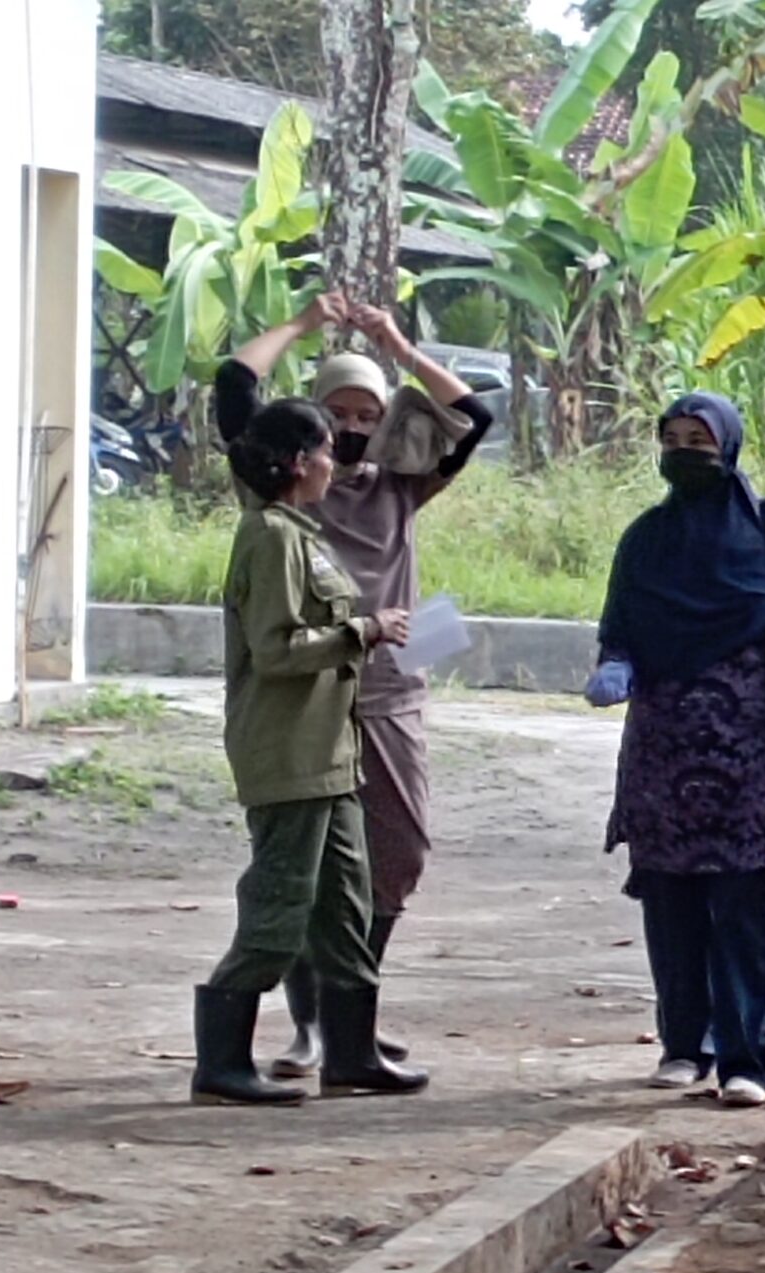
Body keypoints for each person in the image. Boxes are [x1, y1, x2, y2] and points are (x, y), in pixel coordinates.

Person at [216, 294, 493, 1078]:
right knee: (311, 864)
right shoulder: (279, 493)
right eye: (335, 412)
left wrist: (394, 342)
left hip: (389, 690)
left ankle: (349, 1010)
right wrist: (302, 325)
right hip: (308, 695)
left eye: (366, 411)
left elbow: (473, 418)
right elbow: (235, 389)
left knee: (394, 854)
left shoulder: (400, 486)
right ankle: (315, 1026)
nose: (350, 427)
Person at [587, 394, 765, 1108]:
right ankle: (684, 1044)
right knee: (668, 897)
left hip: (757, 749)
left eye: (697, 438)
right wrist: (617, 667)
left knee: (743, 898)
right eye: (670, 438)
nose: (683, 451)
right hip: (662, 751)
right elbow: (620, 626)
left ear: (728, 444)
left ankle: (747, 1059)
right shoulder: (645, 537)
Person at [193, 399, 428, 1105]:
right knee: (280, 906)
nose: (336, 461)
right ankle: (221, 1062)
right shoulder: (269, 538)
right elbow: (276, 650)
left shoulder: (303, 534)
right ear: (298, 462)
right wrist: (363, 631)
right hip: (288, 754)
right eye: (325, 450)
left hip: (332, 752)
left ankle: (352, 1053)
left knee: (347, 908)